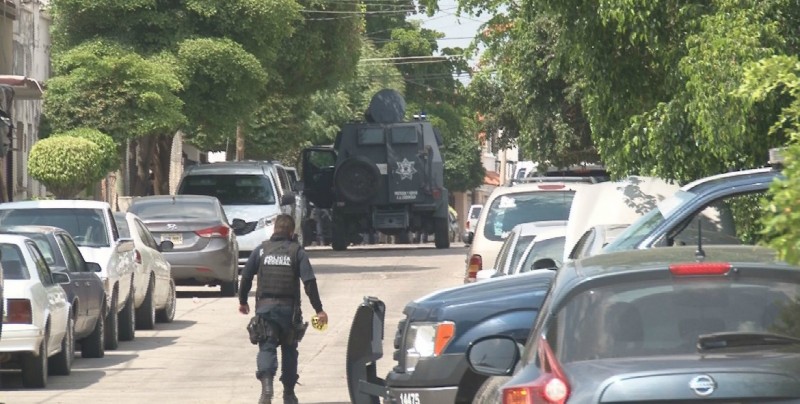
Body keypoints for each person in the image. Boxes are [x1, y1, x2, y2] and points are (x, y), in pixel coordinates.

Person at [239, 214, 329, 404]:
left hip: (265, 310)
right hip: (289, 312)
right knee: (289, 350)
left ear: (274, 230)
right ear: (291, 232)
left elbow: (246, 276)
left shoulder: (261, 251)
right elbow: (309, 282)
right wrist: (319, 310)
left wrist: (243, 301)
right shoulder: (297, 252)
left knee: (267, 347)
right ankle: (288, 393)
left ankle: (267, 387)